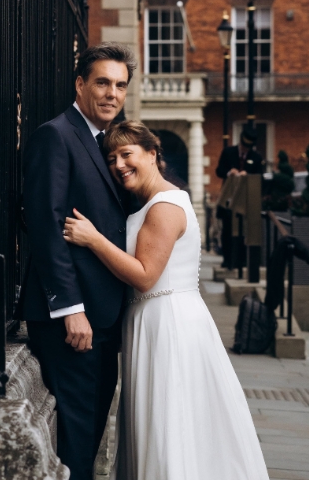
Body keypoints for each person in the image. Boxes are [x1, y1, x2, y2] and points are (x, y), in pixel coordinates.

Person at [64, 120, 269, 480]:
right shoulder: (150, 202)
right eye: (111, 158)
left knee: (169, 422)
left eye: (127, 154)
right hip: (156, 319)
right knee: (165, 423)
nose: (118, 165)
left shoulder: (164, 206)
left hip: (168, 322)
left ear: (153, 154)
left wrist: (94, 239)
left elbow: (145, 276)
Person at [21, 43, 136, 480]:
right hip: (74, 320)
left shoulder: (112, 142)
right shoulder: (56, 135)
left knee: (89, 440)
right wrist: (70, 309)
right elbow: (47, 226)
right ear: (80, 84)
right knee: (75, 438)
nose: (111, 93)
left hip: (107, 316)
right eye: (103, 82)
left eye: (120, 85)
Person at [216, 126, 264, 267]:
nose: (244, 149)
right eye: (243, 146)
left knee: (244, 231)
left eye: (247, 147)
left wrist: (247, 176)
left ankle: (241, 261)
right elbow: (219, 171)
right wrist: (229, 173)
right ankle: (228, 259)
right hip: (229, 198)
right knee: (227, 230)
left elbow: (260, 176)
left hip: (246, 199)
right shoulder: (228, 152)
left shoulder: (256, 157)